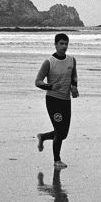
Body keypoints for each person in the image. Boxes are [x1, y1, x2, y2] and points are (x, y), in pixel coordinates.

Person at [35, 33, 79, 169]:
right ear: (55, 44)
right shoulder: (49, 62)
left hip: (66, 100)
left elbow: (74, 76)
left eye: (66, 44)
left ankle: (42, 137)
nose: (64, 46)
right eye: (61, 43)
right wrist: (51, 86)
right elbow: (37, 82)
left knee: (64, 134)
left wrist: (74, 87)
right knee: (59, 132)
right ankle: (57, 160)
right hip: (53, 100)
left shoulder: (72, 60)